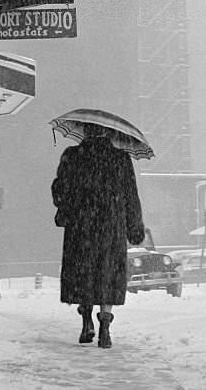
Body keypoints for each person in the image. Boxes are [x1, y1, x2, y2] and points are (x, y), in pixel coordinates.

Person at [51, 125, 145, 349]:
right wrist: (134, 227)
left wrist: (67, 200)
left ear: (84, 131)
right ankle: (105, 325)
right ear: (110, 134)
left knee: (84, 271)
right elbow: (131, 195)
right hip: (111, 227)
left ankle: (86, 321)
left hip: (80, 226)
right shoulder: (120, 159)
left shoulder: (73, 156)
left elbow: (59, 190)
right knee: (107, 273)